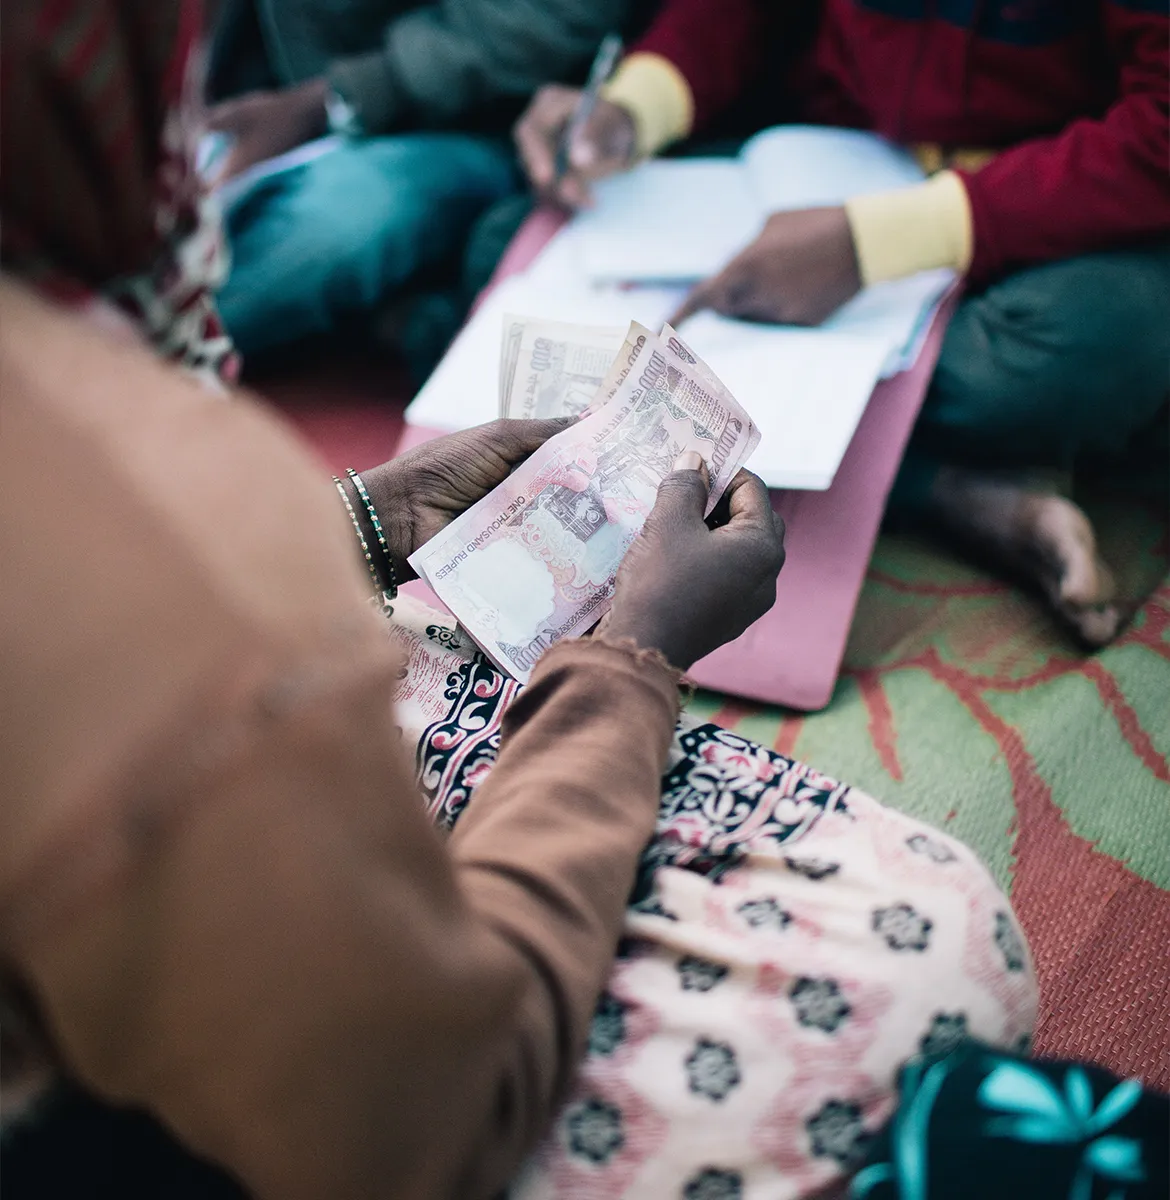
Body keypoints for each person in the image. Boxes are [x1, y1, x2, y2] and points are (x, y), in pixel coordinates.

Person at [1, 3, 1037, 1198]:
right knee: (940, 945)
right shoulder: (193, 546)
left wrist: (362, 525)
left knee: (436, 631)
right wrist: (635, 660)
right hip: (155, 1114)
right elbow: (428, 1119)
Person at [514, 0, 1170, 648]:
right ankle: (944, 489)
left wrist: (874, 244)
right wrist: (635, 108)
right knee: (506, 249)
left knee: (1104, 344)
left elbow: (1159, 128)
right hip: (821, 159)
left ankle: (817, 458)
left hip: (1043, 201)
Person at [205, 0, 648, 370]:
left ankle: (152, 346)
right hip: (226, 106)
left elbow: (546, 16)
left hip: (456, 118)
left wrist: (336, 99)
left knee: (330, 228)